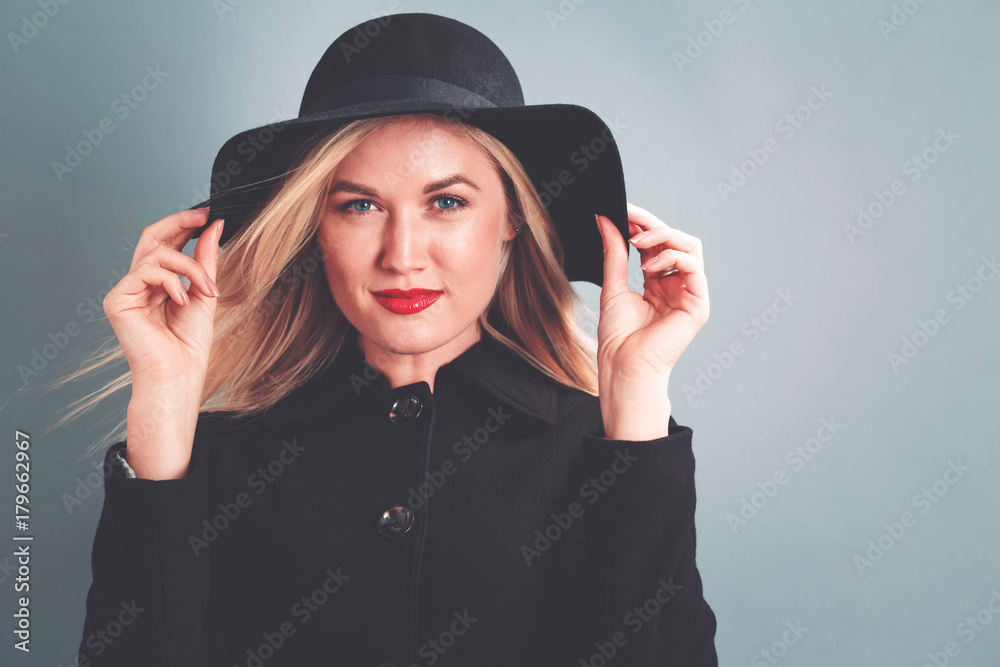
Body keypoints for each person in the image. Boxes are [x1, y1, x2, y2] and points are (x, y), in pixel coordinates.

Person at [72, 12, 716, 666]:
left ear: (514, 219)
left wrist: (636, 403)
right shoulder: (217, 457)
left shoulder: (603, 452)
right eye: (360, 205)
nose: (401, 255)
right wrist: (163, 398)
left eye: (447, 202)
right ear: (314, 228)